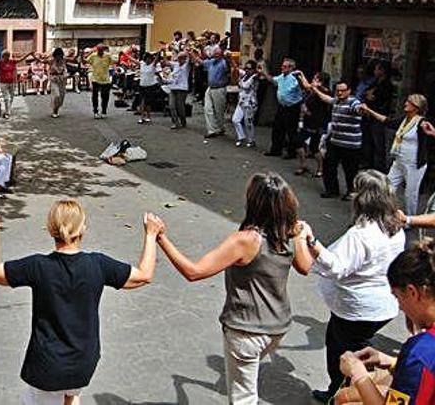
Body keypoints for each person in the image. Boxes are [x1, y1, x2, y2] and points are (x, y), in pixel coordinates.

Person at [153, 172, 315, 404]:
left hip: (246, 330)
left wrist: (161, 238)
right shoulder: (289, 235)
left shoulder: (246, 240)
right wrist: (303, 236)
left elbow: (194, 271)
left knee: (243, 398)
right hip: (278, 328)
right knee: (246, 383)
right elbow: (305, 266)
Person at [0, 200, 158, 405]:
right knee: (71, 396)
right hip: (83, 362)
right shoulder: (98, 264)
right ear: (83, 228)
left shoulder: (38, 266)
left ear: (50, 229)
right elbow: (144, 275)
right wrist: (151, 235)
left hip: (47, 366)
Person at [300, 170, 406, 402]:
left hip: (358, 308)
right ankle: (338, 390)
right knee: (338, 342)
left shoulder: (361, 234)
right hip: (380, 305)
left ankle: (346, 395)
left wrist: (312, 242)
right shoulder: (395, 225)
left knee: (347, 355)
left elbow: (337, 267)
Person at [333, 240, 435, 405]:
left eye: (397, 297)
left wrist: (358, 373)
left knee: (345, 399)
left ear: (412, 292)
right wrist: (392, 361)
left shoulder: (421, 352)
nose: (400, 307)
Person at [361, 94, 431, 216]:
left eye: (409, 102)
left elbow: (429, 131)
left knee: (410, 194)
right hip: (399, 160)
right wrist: (369, 110)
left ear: (416, 107)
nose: (405, 104)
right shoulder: (404, 120)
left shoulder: (421, 122)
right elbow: (387, 121)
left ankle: (410, 218)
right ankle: (383, 211)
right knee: (387, 186)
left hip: (414, 164)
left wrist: (430, 132)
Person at [301, 77, 365, 200]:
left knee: (350, 170)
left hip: (350, 144)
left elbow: (358, 110)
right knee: (329, 165)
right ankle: (332, 190)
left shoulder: (353, 102)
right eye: (338, 91)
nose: (340, 93)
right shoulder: (337, 101)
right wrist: (315, 89)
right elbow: (326, 98)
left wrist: (361, 110)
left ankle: (351, 192)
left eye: (343, 90)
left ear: (349, 91)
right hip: (335, 141)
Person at [261, 58, 305, 158]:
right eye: (282, 66)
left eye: (285, 66)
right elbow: (273, 80)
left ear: (291, 68)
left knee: (291, 131)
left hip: (292, 107)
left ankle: (291, 152)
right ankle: (276, 150)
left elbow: (303, 89)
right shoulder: (282, 76)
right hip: (282, 106)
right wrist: (264, 72)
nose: (282, 68)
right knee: (277, 128)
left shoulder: (295, 79)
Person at [361, 61, 395, 172]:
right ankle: (368, 162)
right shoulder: (375, 82)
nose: (375, 71)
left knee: (378, 141)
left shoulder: (387, 85)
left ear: (382, 71)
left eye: (377, 69)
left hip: (378, 116)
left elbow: (380, 100)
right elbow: (366, 93)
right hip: (369, 115)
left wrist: (372, 96)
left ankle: (379, 166)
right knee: (368, 140)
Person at [296, 73, 331, 178]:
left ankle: (321, 168)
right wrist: (302, 76)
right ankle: (303, 165)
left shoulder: (325, 92)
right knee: (298, 142)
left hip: (317, 123)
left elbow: (321, 109)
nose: (313, 80)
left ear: (321, 81)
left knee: (314, 147)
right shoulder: (313, 90)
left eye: (315, 79)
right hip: (308, 121)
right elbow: (307, 85)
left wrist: (307, 112)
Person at [194, 47, 232, 138]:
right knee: (207, 108)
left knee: (219, 110)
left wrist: (229, 59)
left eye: (218, 54)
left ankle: (220, 128)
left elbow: (229, 68)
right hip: (210, 88)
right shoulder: (211, 62)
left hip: (219, 88)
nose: (216, 56)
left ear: (221, 54)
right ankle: (212, 130)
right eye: (215, 54)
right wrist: (192, 53)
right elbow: (201, 62)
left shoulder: (224, 63)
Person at [0, 50, 34, 119]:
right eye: (6, 55)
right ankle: (7, 113)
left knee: (11, 98)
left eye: (8, 55)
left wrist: (29, 54)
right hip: (4, 83)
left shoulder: (12, 62)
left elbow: (22, 59)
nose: (8, 57)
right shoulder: (0, 63)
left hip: (12, 82)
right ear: (3, 56)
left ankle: (8, 110)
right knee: (7, 98)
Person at [232, 60, 260, 147]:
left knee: (248, 122)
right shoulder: (244, 76)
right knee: (235, 119)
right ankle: (241, 136)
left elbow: (259, 75)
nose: (247, 70)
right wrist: (231, 60)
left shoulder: (254, 77)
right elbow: (236, 69)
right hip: (241, 101)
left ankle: (251, 140)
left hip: (250, 103)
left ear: (253, 70)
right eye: (246, 68)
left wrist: (259, 72)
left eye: (249, 68)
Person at [85, 45, 115, 119]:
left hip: (105, 79)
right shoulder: (93, 56)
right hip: (95, 79)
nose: (100, 52)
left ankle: (104, 111)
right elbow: (87, 61)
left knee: (105, 96)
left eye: (101, 50)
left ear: (103, 50)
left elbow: (114, 62)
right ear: (97, 50)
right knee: (95, 96)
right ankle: (95, 111)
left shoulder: (108, 56)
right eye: (99, 50)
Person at [165, 51, 191, 130]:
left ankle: (183, 121)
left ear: (184, 59)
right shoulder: (175, 64)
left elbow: (191, 58)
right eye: (178, 58)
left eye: (181, 58)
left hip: (182, 89)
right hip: (173, 88)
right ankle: (175, 122)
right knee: (171, 105)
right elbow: (166, 63)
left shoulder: (187, 65)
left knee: (180, 107)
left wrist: (189, 51)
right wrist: (163, 52)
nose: (179, 60)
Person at [134, 52, 160, 125]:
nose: (148, 60)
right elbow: (133, 60)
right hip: (142, 85)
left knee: (148, 103)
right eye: (147, 58)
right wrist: (125, 54)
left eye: (149, 58)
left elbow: (157, 59)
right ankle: (142, 117)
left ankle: (148, 116)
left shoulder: (153, 65)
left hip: (150, 86)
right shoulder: (142, 64)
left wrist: (160, 51)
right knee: (141, 101)